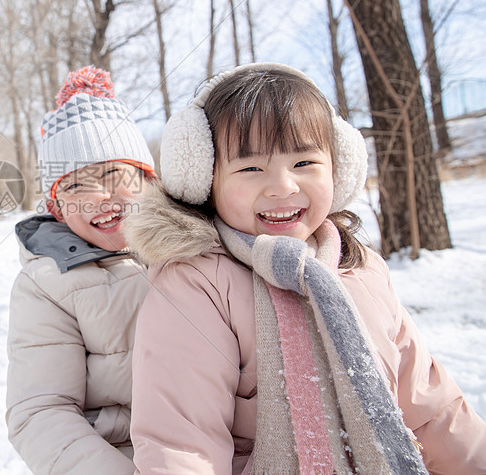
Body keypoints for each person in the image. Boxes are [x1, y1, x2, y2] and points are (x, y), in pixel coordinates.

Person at [124, 62, 486, 474]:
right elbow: (183, 445)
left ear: (339, 165)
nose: (283, 186)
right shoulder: (197, 283)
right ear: (205, 181)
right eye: (250, 168)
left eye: (304, 163)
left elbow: (431, 410)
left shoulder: (362, 270)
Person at [5, 66, 157, 474]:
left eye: (113, 174)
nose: (100, 197)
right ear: (57, 208)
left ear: (147, 179)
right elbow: (41, 413)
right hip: (123, 453)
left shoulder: (197, 247)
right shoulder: (46, 285)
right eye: (75, 186)